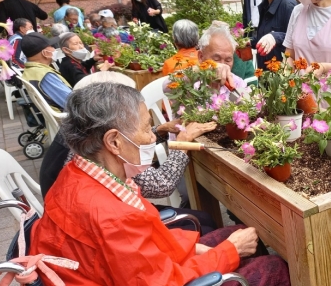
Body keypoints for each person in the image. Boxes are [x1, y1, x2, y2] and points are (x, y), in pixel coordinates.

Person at [30, 82, 296, 286]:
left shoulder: (76, 175)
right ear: (113, 141)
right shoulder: (109, 215)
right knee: (273, 270)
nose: (151, 137)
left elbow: (141, 250)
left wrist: (202, 248)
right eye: (147, 128)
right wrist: (228, 253)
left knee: (233, 236)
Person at [38, 71, 219, 233]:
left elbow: (124, 136)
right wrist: (183, 144)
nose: (151, 137)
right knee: (204, 223)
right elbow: (160, 185)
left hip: (101, 218)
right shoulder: (107, 159)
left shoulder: (82, 139)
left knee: (203, 219)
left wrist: (160, 129)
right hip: (120, 223)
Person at [20, 32, 71, 110]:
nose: (54, 49)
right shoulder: (45, 75)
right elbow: (71, 102)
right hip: (71, 118)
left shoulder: (30, 70)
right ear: (45, 53)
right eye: (51, 46)